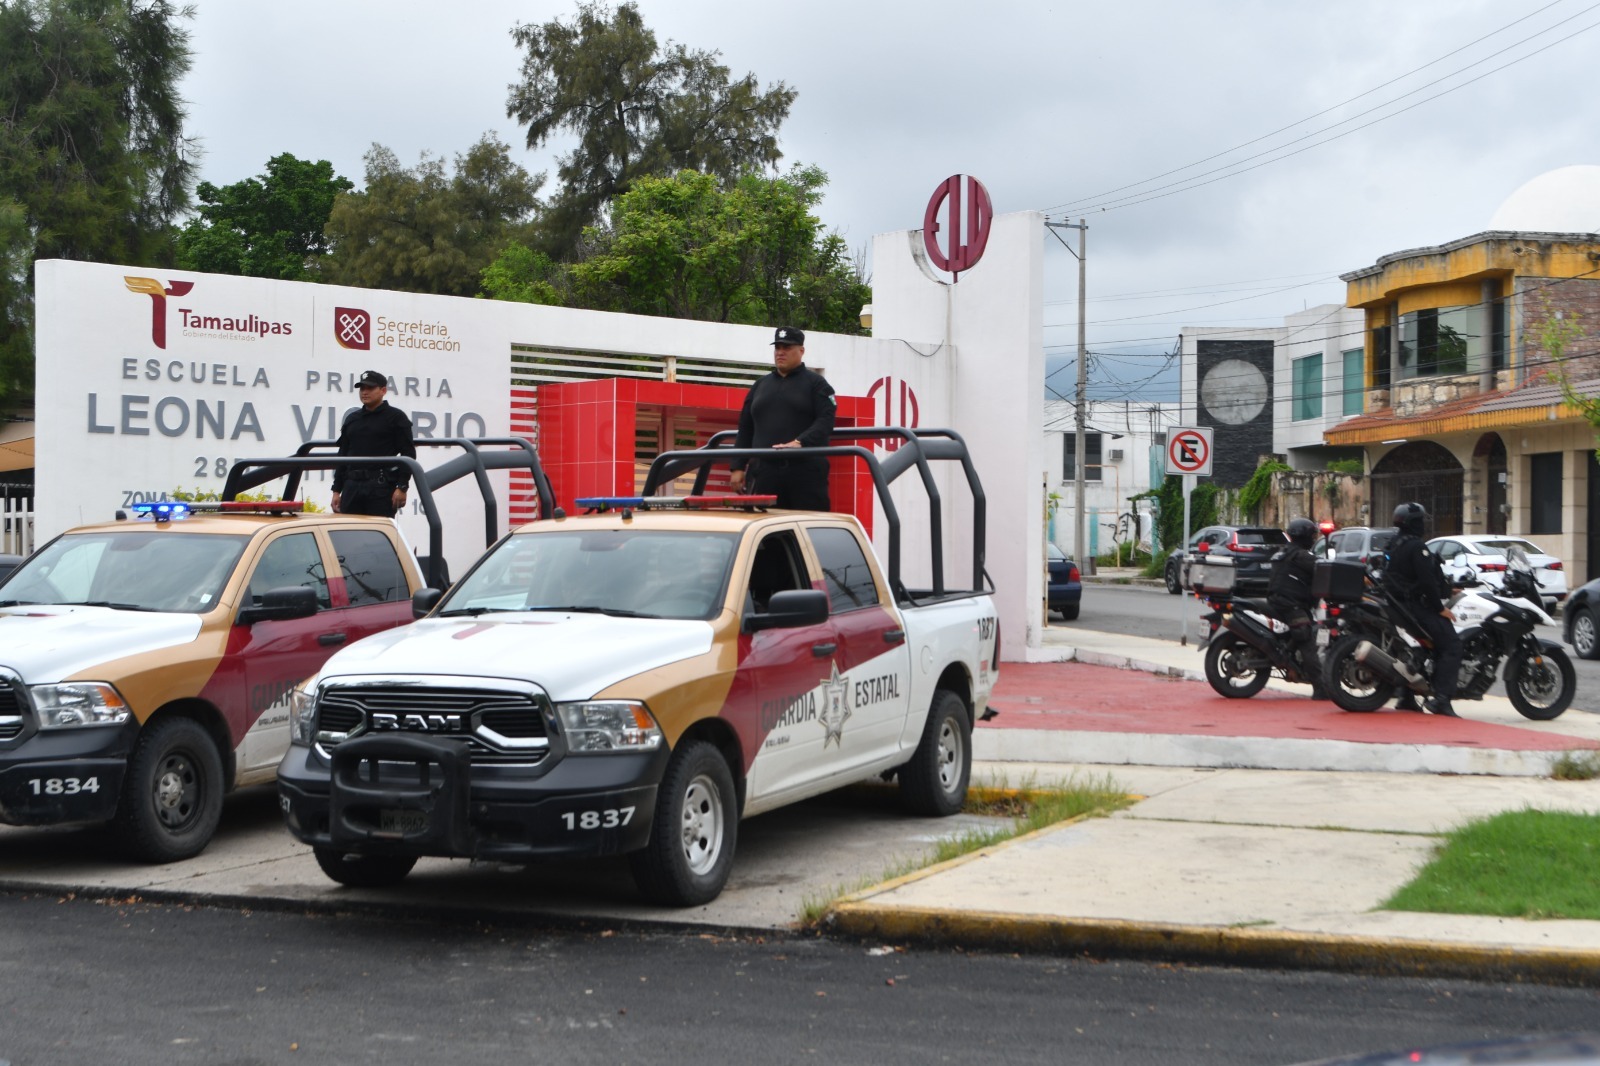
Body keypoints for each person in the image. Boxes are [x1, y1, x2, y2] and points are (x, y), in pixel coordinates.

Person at [728, 327, 837, 510]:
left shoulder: (817, 384)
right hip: (764, 472)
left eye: (786, 348)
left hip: (805, 473)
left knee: (807, 528)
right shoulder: (760, 385)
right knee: (766, 529)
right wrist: (738, 466)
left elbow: (826, 420)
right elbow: (746, 427)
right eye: (777, 347)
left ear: (801, 351)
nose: (780, 352)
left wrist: (799, 442)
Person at [1382, 501, 1462, 716]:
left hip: (1397, 605)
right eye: (1420, 521)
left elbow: (1401, 576)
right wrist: (1440, 608)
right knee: (1452, 646)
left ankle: (1406, 697)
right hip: (1415, 607)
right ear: (1414, 523)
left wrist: (1448, 590)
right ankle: (1442, 700)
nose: (1423, 525)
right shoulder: (1417, 546)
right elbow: (1426, 582)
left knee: (1423, 648)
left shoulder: (1393, 544)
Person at [330, 369, 416, 518]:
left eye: (370, 388)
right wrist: (336, 490)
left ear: (383, 390)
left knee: (378, 536)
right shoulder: (352, 419)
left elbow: (408, 454)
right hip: (352, 487)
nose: (365, 392)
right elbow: (342, 456)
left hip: (380, 488)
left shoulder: (396, 417)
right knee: (347, 535)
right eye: (362, 388)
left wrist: (402, 487)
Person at [1267, 516, 1327, 699]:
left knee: (1299, 633)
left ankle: (1290, 660)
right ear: (1304, 537)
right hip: (1290, 604)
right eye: (1312, 535)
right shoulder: (1302, 556)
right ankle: (1321, 689)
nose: (1313, 539)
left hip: (1277, 601)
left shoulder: (1283, 552)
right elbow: (1322, 567)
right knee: (1305, 638)